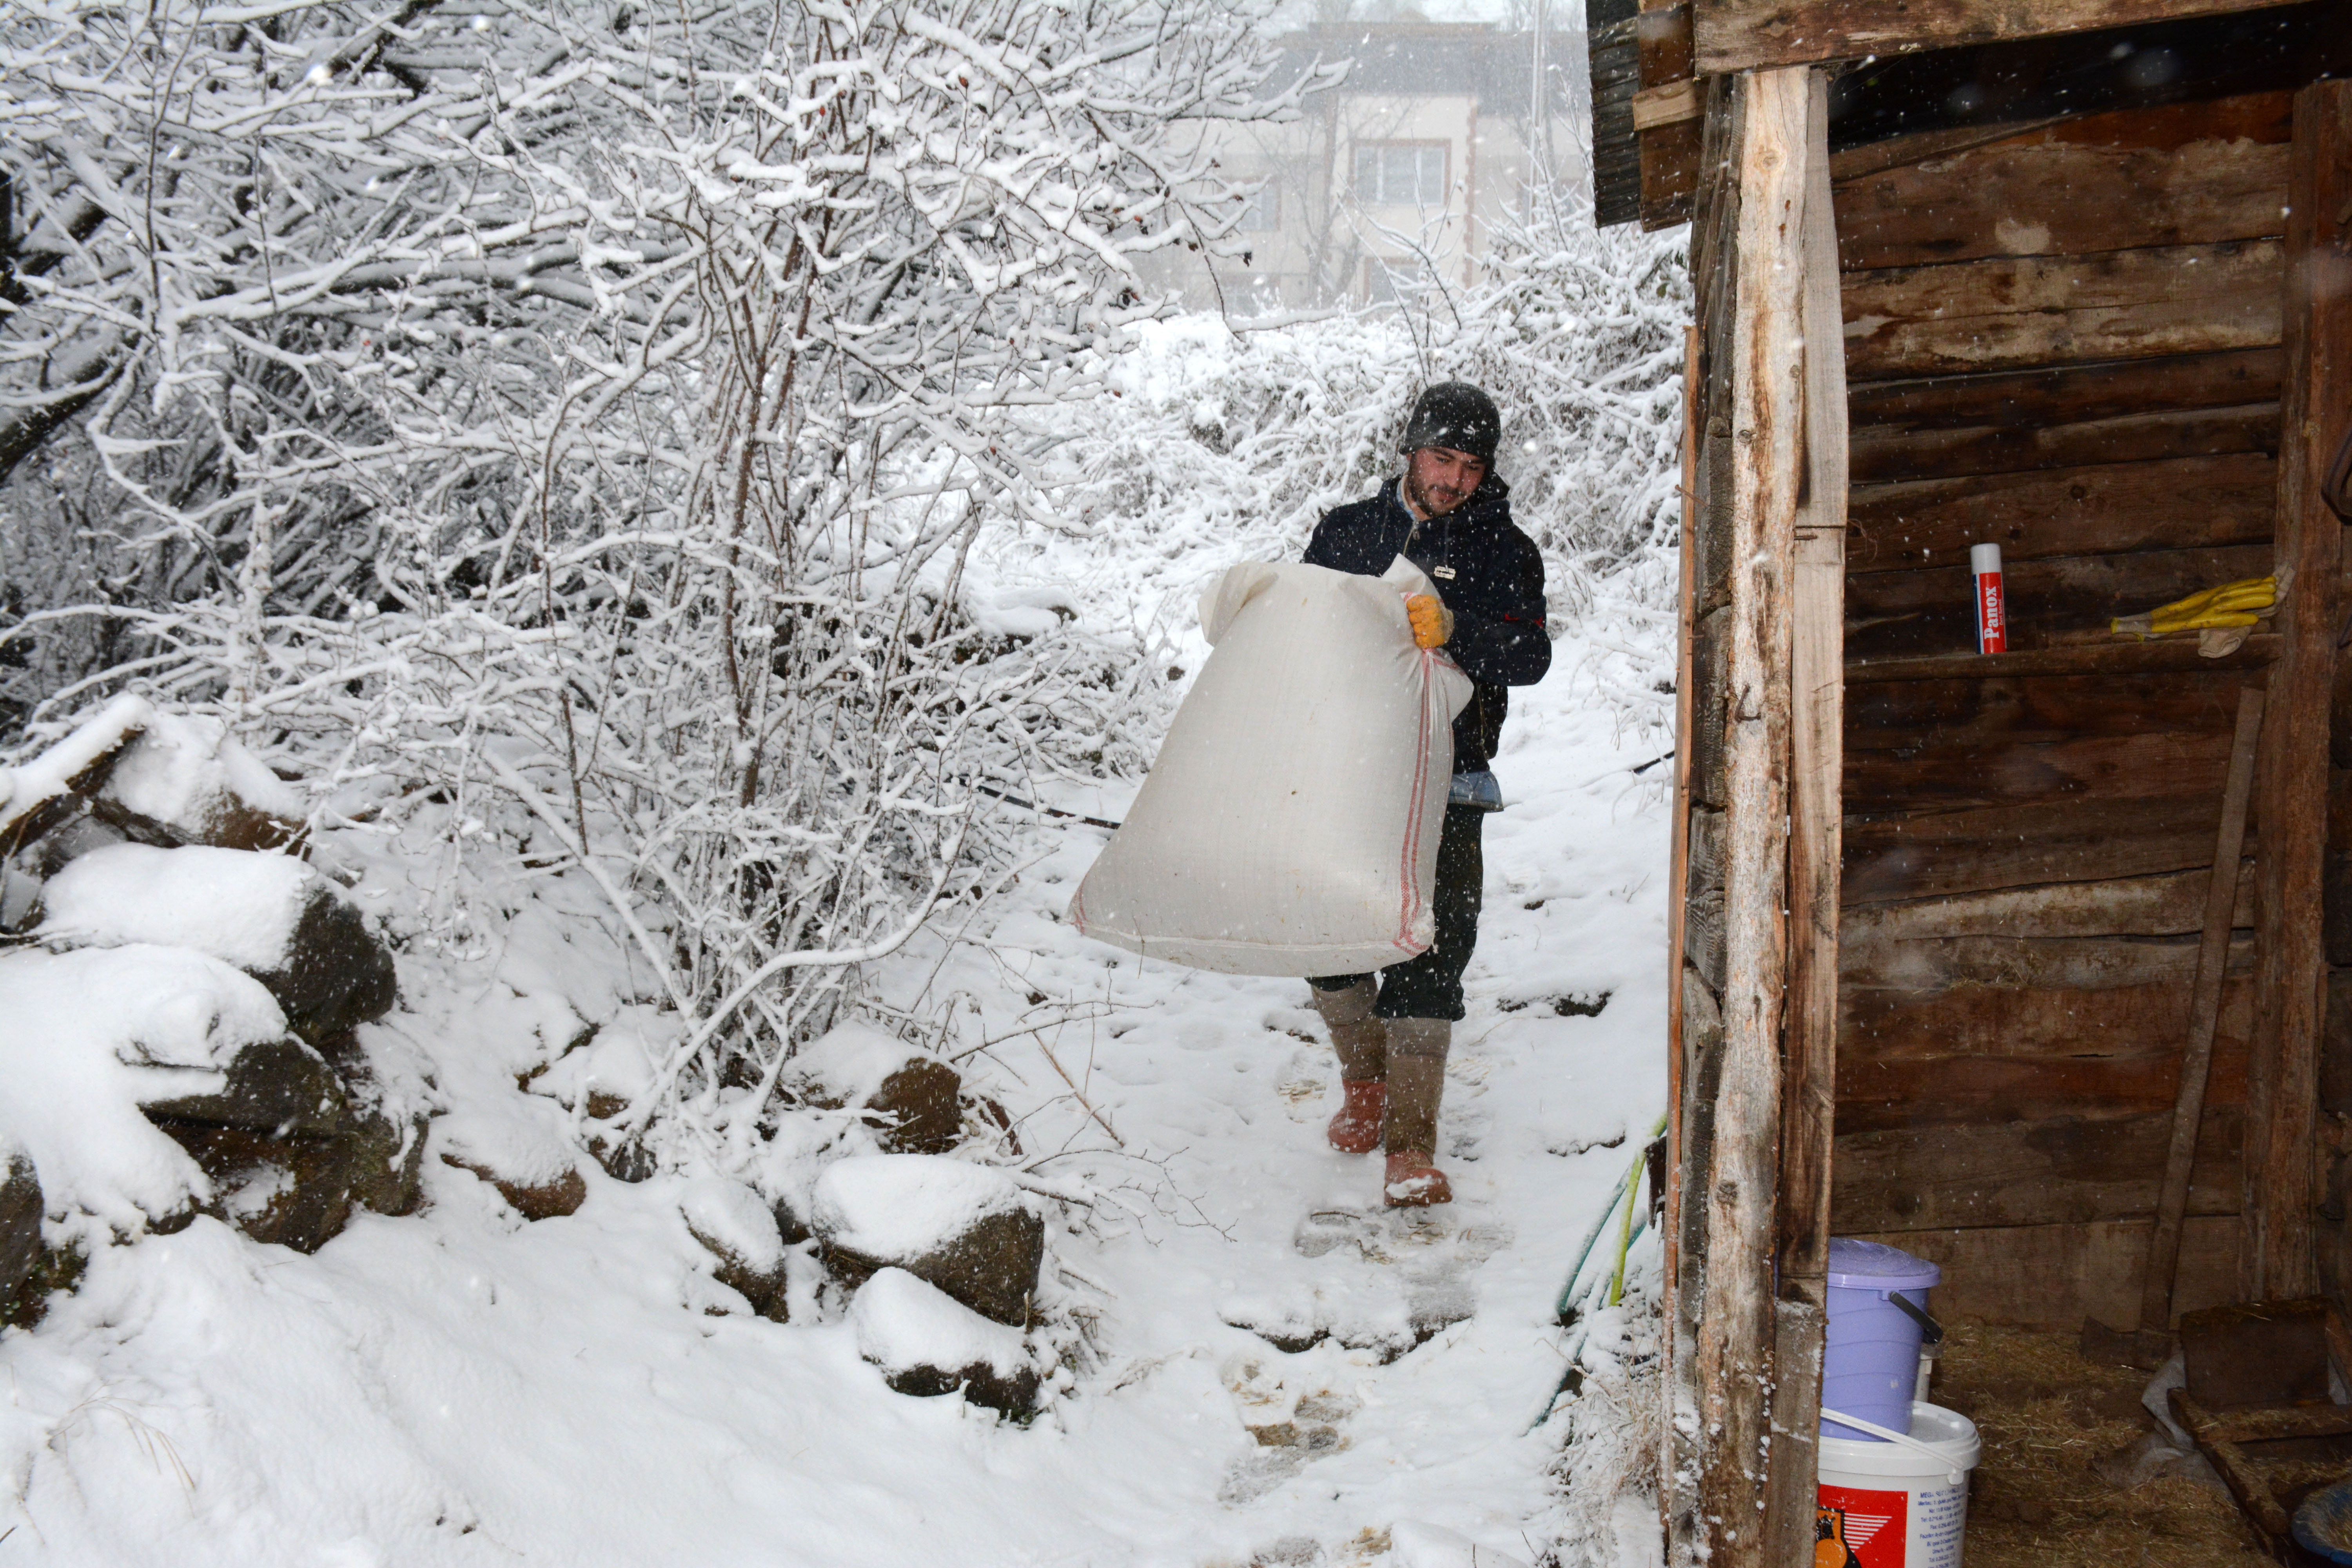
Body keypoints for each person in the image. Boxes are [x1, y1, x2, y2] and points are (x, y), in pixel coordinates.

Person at [1300, 382, 1551, 1207]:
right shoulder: (1348, 532)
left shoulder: (1506, 549)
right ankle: (1364, 1082)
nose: (1453, 479)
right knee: (1327, 929)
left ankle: (1411, 1144)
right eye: (1442, 458)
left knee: (1437, 947)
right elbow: (1299, 631)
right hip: (1349, 767)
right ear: (1411, 449)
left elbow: (1531, 654)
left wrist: (1461, 629)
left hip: (1455, 776)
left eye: (1471, 466)